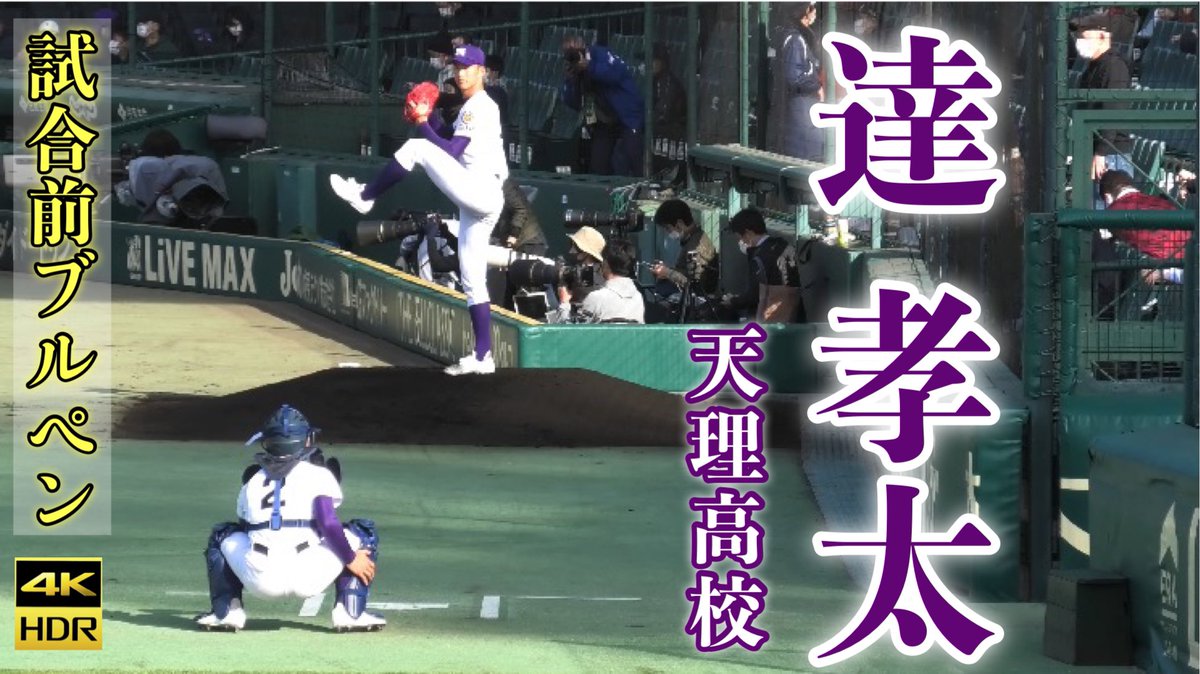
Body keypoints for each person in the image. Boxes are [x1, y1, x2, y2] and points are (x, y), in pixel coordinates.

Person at [330, 45, 507, 376]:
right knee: (472, 279)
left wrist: (423, 122)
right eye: (457, 66)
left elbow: (450, 151)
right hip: (481, 197)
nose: (460, 72)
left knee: (415, 148)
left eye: (467, 67)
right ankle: (483, 356)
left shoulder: (480, 106)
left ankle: (365, 195)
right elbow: (449, 138)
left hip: (480, 189)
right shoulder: (473, 107)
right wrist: (432, 117)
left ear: (482, 71)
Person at [195, 405, 386, 632]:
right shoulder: (319, 474)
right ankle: (350, 612)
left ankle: (226, 612)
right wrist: (351, 558)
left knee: (222, 534)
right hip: (309, 575)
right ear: (307, 440)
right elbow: (327, 522)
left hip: (261, 579)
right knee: (361, 531)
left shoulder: (253, 481)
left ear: (266, 442)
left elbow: (245, 529)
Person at [560, 35, 646, 177]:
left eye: (574, 51)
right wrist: (571, 81)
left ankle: (643, 186)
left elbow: (617, 74)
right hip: (604, 120)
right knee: (598, 163)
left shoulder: (601, 54)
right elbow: (572, 103)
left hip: (627, 116)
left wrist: (589, 66)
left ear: (583, 47)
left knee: (633, 156)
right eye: (568, 53)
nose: (573, 56)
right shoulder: (574, 71)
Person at [1075, 13, 1134, 203]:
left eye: (1084, 35)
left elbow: (1113, 111)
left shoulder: (1114, 66)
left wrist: (1101, 152)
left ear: (1102, 36)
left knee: (1108, 213)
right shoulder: (1092, 67)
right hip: (1094, 151)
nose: (1078, 40)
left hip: (1111, 155)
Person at [1100, 170, 1189, 285]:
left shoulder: (1113, 212)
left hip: (1169, 262)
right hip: (1188, 250)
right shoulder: (1160, 202)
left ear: (1107, 197)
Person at [724, 207, 804, 323]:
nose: (741, 242)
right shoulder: (784, 245)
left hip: (771, 317)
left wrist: (732, 301)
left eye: (740, 237)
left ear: (748, 233)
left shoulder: (759, 257)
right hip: (794, 313)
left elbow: (754, 295)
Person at [770, 2, 824, 162]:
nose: (815, 13)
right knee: (804, 156)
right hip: (801, 109)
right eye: (813, 8)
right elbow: (793, 76)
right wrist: (816, 86)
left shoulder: (790, 35)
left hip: (799, 107)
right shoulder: (795, 39)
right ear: (805, 10)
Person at [548, 238, 645, 324]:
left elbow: (571, 333)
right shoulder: (638, 298)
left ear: (606, 263)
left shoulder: (596, 298)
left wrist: (564, 303)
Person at [650, 199, 719, 297]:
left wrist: (668, 273)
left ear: (679, 224)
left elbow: (695, 285)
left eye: (668, 228)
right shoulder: (691, 240)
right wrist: (666, 270)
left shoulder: (696, 247)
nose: (667, 233)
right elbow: (686, 272)